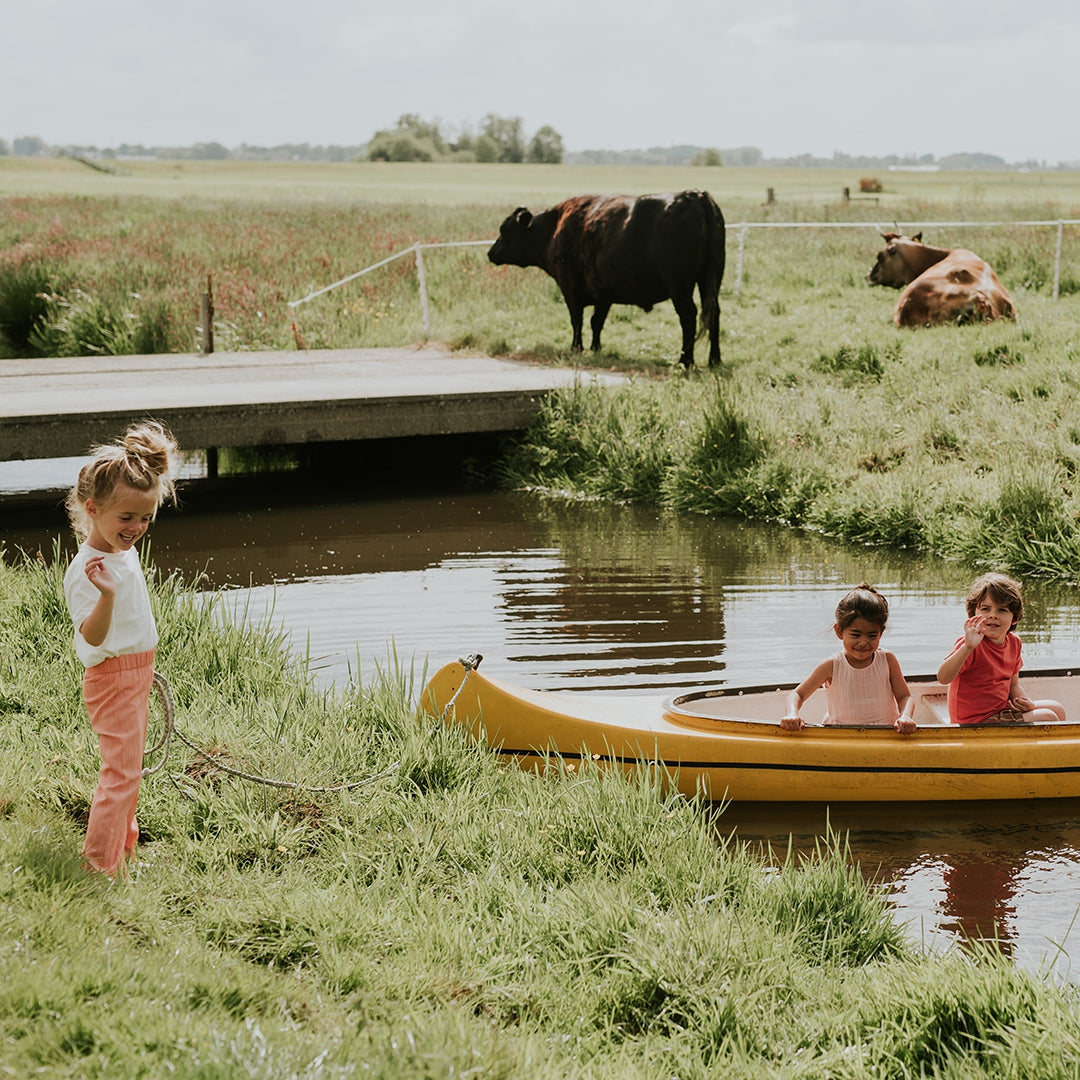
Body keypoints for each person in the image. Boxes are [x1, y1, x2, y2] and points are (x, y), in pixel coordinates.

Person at [62, 420, 179, 876]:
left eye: (146, 517)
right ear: (92, 509)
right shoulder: (88, 571)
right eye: (126, 517)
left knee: (129, 771)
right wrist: (108, 596)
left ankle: (122, 848)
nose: (137, 527)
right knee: (121, 772)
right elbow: (90, 635)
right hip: (113, 679)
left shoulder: (118, 551)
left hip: (135, 673)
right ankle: (98, 865)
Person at [781, 583, 916, 733]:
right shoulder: (832, 665)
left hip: (884, 734)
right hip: (841, 735)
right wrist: (792, 713)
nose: (863, 642)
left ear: (881, 632)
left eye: (872, 635)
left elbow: (904, 697)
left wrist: (905, 717)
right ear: (839, 631)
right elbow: (797, 694)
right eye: (855, 635)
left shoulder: (887, 660)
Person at [937, 572, 1065, 725]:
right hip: (975, 720)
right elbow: (943, 678)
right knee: (1048, 717)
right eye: (985, 609)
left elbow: (1013, 685)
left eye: (1002, 610)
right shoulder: (971, 644)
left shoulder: (1014, 643)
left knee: (1057, 709)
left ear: (1015, 618)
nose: (993, 615)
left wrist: (1026, 702)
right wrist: (967, 647)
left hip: (999, 710)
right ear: (973, 614)